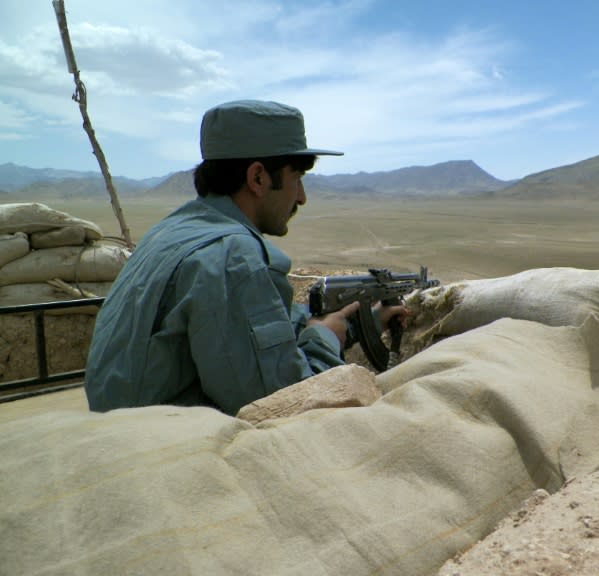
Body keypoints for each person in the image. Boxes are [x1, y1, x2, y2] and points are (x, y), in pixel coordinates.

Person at [85, 100, 405, 416]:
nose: (302, 197)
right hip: (166, 445)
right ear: (258, 178)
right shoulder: (232, 255)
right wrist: (326, 337)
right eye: (297, 179)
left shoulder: (172, 231)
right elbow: (282, 403)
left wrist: (354, 319)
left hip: (123, 423)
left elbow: (251, 323)